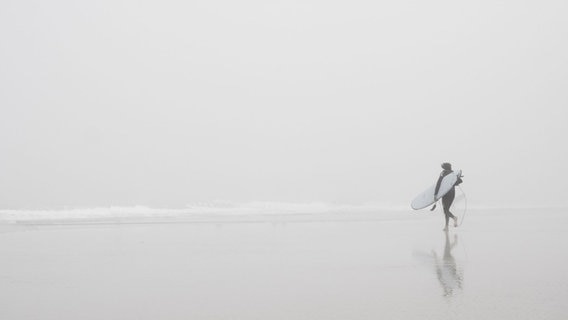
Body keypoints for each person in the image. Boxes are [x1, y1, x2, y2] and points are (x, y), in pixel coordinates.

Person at [433, 162, 463, 231]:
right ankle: (447, 226)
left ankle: (453, 219)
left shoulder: (443, 173)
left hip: (445, 193)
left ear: (444, 168)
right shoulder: (453, 173)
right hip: (452, 193)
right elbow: (460, 181)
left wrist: (435, 194)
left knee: (445, 210)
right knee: (446, 210)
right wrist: (456, 179)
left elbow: (438, 183)